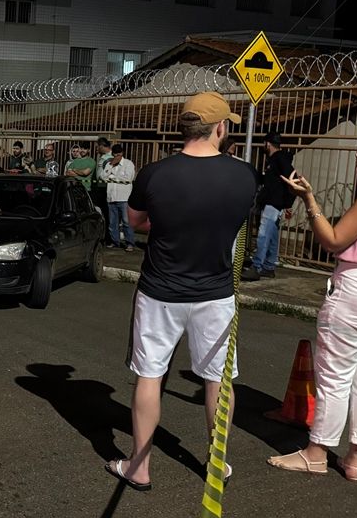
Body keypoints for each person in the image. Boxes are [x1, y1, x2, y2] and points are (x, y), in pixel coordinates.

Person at [105, 91, 256, 491]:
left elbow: (136, 221)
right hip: (217, 293)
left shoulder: (155, 173)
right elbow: (233, 221)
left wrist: (169, 225)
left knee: (150, 375)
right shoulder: (244, 176)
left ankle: (139, 466)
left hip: (160, 291)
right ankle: (217, 461)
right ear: (220, 128)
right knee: (218, 381)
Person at [267, 126, 357, 481]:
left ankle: (317, 452)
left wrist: (311, 201)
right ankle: (356, 460)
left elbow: (333, 239)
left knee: (335, 376)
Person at [243, 131, 295, 281]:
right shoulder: (274, 160)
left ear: (268, 143)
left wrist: (288, 203)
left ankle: (257, 267)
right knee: (271, 236)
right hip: (273, 202)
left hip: (274, 202)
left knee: (263, 234)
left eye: (264, 143)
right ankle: (268, 267)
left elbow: (292, 178)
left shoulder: (279, 160)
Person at [104, 144, 136, 251]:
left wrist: (112, 176)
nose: (117, 156)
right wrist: (112, 167)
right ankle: (115, 242)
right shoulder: (109, 164)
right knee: (113, 223)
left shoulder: (128, 164)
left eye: (119, 153)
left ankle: (130, 243)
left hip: (124, 198)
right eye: (115, 154)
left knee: (126, 222)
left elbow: (128, 178)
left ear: (122, 153)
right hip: (111, 197)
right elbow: (103, 177)